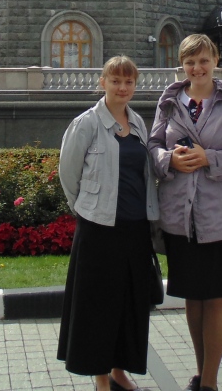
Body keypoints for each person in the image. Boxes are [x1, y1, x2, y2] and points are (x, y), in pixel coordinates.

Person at [149, 35, 222, 391]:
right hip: (181, 218)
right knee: (193, 299)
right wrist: (170, 159)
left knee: (215, 298)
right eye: (189, 62)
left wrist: (210, 157)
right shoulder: (168, 103)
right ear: (181, 65)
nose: (197, 68)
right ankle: (201, 373)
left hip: (221, 218)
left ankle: (210, 382)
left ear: (215, 61)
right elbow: (152, 146)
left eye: (203, 61)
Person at [58, 56, 160, 391]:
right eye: (115, 80)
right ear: (102, 82)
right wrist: (87, 209)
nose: (122, 87)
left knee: (129, 304)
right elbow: (68, 174)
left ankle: (120, 371)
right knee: (98, 305)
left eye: (129, 81)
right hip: (99, 230)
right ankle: (101, 376)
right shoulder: (86, 124)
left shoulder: (139, 123)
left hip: (135, 228)